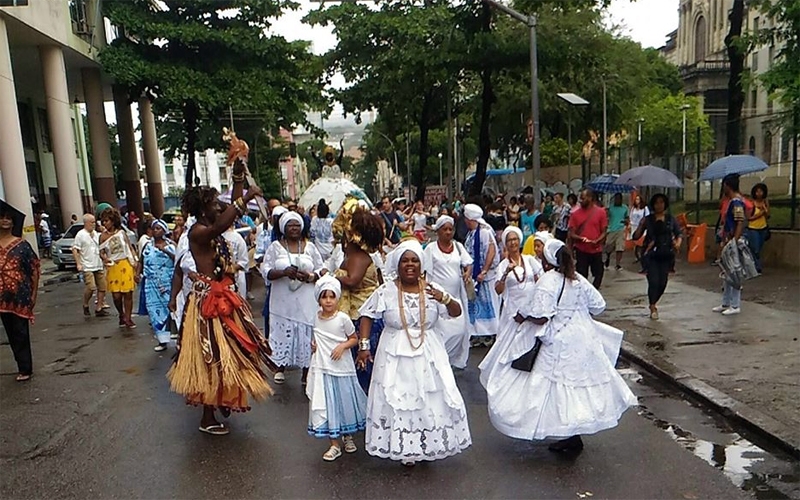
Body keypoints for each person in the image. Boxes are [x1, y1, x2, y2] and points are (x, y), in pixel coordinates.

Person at [479, 238, 637, 452]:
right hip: (585, 339)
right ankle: (572, 433)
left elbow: (542, 316)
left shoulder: (548, 281)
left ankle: (567, 433)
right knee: (576, 387)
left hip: (559, 342)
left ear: (548, 259)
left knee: (551, 387)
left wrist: (524, 317)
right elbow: (599, 305)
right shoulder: (578, 279)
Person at [167, 152, 274, 435]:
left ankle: (222, 396)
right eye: (214, 203)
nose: (219, 206)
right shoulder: (198, 232)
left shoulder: (210, 227)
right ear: (204, 209)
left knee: (234, 352)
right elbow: (222, 222)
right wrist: (248, 195)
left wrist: (238, 175)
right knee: (211, 356)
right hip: (207, 307)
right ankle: (207, 416)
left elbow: (228, 212)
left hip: (223, 299)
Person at [356, 239, 471, 466]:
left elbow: (456, 312)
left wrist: (445, 299)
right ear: (397, 265)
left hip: (429, 351)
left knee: (430, 399)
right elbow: (367, 315)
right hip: (393, 353)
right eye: (405, 261)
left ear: (422, 264)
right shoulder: (387, 290)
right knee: (398, 399)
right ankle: (406, 447)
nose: (410, 265)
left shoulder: (433, 288)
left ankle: (427, 441)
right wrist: (364, 345)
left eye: (415, 260)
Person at [307, 276, 368, 462]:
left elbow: (354, 338)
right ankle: (334, 444)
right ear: (319, 299)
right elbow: (317, 338)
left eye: (332, 297)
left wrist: (342, 346)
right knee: (328, 403)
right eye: (324, 297)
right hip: (323, 368)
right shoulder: (315, 318)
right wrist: (314, 346)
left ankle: (347, 435)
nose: (328, 301)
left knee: (344, 402)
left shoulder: (343, 319)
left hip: (341, 368)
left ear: (338, 299)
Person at [262, 211, 324, 385]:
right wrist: (283, 272)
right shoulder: (275, 247)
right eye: (290, 225)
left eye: (297, 225)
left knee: (307, 333)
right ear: (283, 228)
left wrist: (311, 276)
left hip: (306, 300)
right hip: (283, 302)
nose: (294, 228)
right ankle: (280, 367)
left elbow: (322, 269)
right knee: (282, 334)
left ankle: (306, 372)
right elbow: (266, 271)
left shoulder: (310, 247)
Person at [332, 199, 386, 392]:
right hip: (360, 317)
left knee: (364, 368)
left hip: (362, 319)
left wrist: (330, 278)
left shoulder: (358, 257)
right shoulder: (356, 256)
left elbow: (353, 280)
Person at [423, 215, 473, 369]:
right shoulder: (431, 249)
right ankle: (440, 361)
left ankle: (450, 359)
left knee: (459, 330)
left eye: (450, 229)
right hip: (437, 295)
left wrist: (467, 273)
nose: (448, 232)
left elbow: (468, 263)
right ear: (438, 231)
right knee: (441, 331)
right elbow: (424, 271)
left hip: (456, 295)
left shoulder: (458, 247)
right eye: (444, 229)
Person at [0, 200, 40, 381]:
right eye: (2, 218)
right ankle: (20, 364)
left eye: (9, 218)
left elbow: (34, 270)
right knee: (10, 332)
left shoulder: (22, 245)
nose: (5, 221)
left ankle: (25, 368)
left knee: (21, 332)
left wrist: (33, 294)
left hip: (20, 296)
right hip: (2, 297)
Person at [633, 194, 682, 320]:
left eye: (661, 202)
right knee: (654, 281)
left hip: (666, 254)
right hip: (651, 255)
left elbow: (679, 233)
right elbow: (636, 236)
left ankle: (654, 301)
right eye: (656, 203)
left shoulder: (671, 219)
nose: (659, 205)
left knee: (662, 282)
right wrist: (640, 225)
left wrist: (677, 243)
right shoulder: (648, 220)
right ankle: (652, 306)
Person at [494, 227, 542, 342]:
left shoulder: (529, 260)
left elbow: (541, 279)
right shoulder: (503, 265)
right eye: (509, 240)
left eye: (515, 239)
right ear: (506, 244)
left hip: (530, 305)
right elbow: (498, 290)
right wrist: (506, 273)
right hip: (513, 308)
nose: (513, 242)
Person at [463, 204, 500, 347]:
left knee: (487, 305)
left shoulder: (485, 232)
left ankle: (489, 333)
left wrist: (483, 271)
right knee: (475, 306)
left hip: (485, 277)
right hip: (474, 276)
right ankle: (477, 333)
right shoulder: (471, 234)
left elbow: (490, 251)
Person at [136, 219, 176, 351]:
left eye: (159, 228)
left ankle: (177, 334)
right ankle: (162, 340)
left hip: (167, 283)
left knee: (170, 308)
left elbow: (178, 261)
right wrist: (138, 273)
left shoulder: (171, 245)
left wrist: (165, 251)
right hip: (151, 283)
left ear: (164, 231)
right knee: (154, 312)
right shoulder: (147, 246)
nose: (156, 231)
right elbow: (141, 260)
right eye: (154, 228)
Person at [99, 208, 139, 329]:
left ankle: (128, 318)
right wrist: (105, 259)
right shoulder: (103, 236)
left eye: (106, 221)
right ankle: (121, 314)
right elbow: (101, 252)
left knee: (127, 293)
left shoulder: (122, 233)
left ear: (113, 221)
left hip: (125, 264)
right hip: (113, 266)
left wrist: (135, 260)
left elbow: (129, 247)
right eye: (103, 221)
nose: (104, 223)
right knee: (116, 296)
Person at [713, 174, 747, 316]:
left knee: (734, 272)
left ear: (728, 185)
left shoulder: (737, 203)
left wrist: (734, 241)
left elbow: (740, 222)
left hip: (734, 240)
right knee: (727, 272)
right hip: (728, 239)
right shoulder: (732, 201)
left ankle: (735, 304)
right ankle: (726, 302)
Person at [71, 213, 110, 317]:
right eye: (91, 222)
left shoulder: (97, 234)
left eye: (94, 222)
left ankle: (99, 307)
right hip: (87, 265)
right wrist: (78, 263)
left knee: (102, 287)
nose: (93, 224)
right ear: (86, 223)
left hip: (98, 263)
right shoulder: (81, 235)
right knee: (91, 287)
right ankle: (85, 304)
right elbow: (75, 249)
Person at [568, 188, 608, 289]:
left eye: (583, 198)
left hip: (596, 249)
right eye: (580, 199)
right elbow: (571, 233)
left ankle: (594, 290)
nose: (581, 201)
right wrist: (580, 238)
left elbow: (604, 231)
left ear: (590, 198)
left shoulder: (600, 212)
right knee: (581, 275)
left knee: (598, 273)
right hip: (581, 249)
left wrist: (597, 240)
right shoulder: (575, 214)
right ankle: (584, 291)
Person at [747, 183, 769, 274]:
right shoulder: (752, 203)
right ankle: (757, 267)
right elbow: (749, 217)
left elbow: (768, 215)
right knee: (755, 248)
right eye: (757, 191)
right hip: (753, 228)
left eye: (761, 191)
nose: (759, 193)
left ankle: (754, 264)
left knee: (759, 248)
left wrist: (765, 210)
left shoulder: (765, 202)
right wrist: (760, 213)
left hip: (763, 227)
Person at [604, 193, 629, 271]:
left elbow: (627, 218)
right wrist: (607, 212)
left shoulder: (625, 208)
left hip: (621, 229)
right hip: (611, 229)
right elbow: (606, 217)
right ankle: (607, 257)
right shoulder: (610, 208)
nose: (618, 200)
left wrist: (625, 221)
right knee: (608, 246)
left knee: (620, 247)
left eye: (619, 199)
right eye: (616, 199)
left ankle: (618, 264)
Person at [628, 195, 648, 267]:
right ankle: (637, 256)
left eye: (638, 199)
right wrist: (629, 225)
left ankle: (642, 255)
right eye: (636, 199)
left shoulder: (645, 208)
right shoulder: (633, 208)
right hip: (634, 226)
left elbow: (647, 217)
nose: (637, 201)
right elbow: (630, 217)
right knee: (635, 242)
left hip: (641, 227)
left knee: (641, 242)